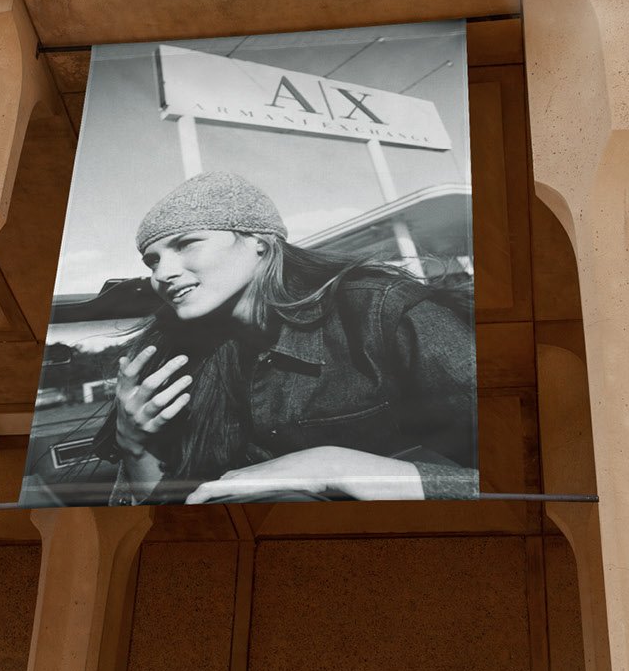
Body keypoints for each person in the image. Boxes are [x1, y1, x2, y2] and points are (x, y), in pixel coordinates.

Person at [98, 171, 477, 505]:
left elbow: (504, 481)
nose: (162, 273)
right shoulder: (176, 356)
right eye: (152, 260)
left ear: (259, 242)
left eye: (186, 244)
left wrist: (335, 466)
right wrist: (134, 444)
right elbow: (169, 512)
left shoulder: (378, 311)